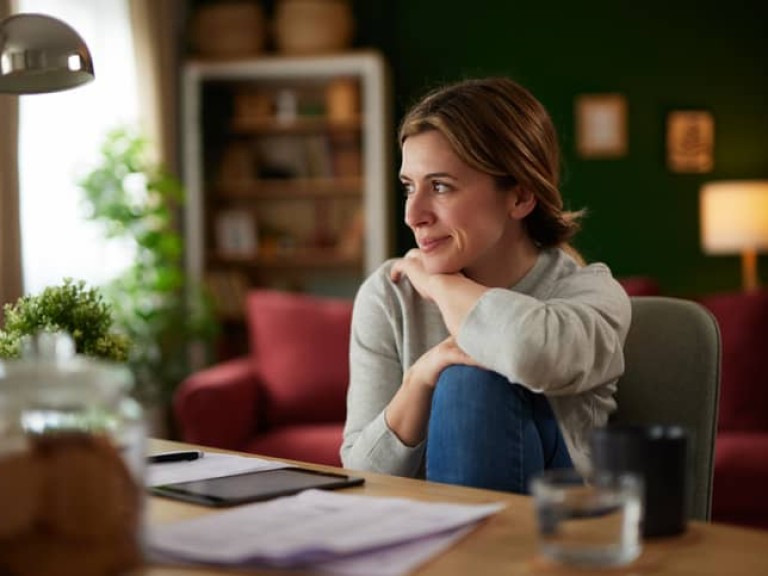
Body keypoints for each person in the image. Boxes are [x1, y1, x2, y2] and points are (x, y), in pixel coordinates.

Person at [340, 77, 631, 494]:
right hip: (418, 536)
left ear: (519, 196)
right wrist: (421, 377)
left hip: (557, 533)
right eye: (409, 187)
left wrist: (437, 285)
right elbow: (361, 472)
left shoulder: (590, 296)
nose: (413, 214)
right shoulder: (389, 295)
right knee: (455, 371)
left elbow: (525, 351)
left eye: (440, 186)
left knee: (470, 378)